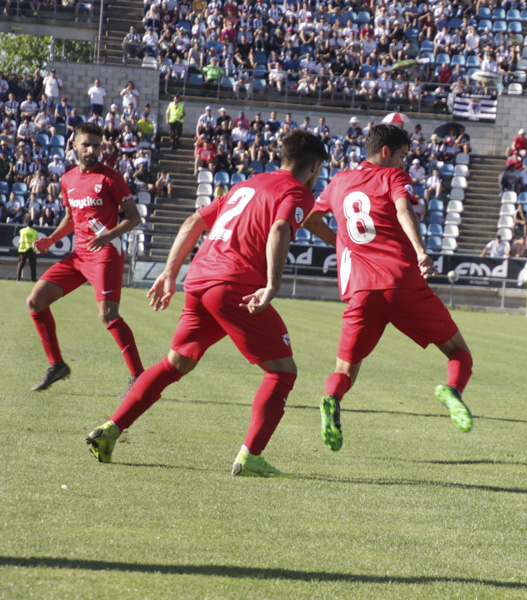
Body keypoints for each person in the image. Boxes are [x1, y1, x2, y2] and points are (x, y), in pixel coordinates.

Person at [84, 130, 328, 476]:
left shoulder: (248, 183)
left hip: (199, 280)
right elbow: (279, 230)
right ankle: (251, 456)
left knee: (175, 364)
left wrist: (170, 272)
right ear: (315, 166)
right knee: (282, 370)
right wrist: (273, 284)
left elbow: (193, 222)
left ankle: (110, 429)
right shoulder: (297, 191)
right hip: (233, 285)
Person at [300, 124, 475, 452]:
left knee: (345, 368)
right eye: (402, 156)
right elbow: (403, 209)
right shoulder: (394, 178)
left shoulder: (338, 182)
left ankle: (331, 398)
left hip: (360, 291)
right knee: (458, 352)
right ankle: (452, 390)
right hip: (402, 283)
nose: (404, 163)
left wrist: (342, 241)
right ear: (386, 152)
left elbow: (309, 219)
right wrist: (422, 252)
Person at [25, 123, 144, 393]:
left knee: (107, 314)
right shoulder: (67, 179)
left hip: (105, 254)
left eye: (97, 145)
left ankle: (138, 376)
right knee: (36, 300)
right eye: (87, 144)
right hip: (79, 256)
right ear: (75, 146)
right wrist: (52, 240)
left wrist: (107, 236)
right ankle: (57, 365)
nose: (92, 150)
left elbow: (134, 218)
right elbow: (70, 218)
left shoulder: (111, 178)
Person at [17, 215, 37, 282]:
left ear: (26, 224)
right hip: (31, 249)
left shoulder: (22, 231)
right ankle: (33, 279)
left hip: (23, 249)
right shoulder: (35, 232)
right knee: (33, 265)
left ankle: (18, 278)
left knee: (20, 264)